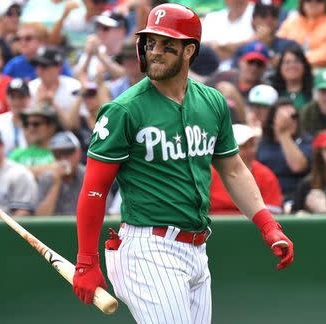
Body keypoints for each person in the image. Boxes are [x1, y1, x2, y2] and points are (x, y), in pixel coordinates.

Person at [71, 4, 294, 323]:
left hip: (197, 248)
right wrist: (86, 260)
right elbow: (94, 188)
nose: (155, 52)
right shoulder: (124, 109)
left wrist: (268, 225)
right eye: (150, 43)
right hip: (148, 246)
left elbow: (232, 169)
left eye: (167, 45)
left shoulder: (212, 101)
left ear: (189, 50)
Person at [210, 123, 283, 215]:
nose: (250, 151)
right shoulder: (210, 173)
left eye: (252, 145)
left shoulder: (265, 175)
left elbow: (273, 212)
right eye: (244, 146)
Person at [257, 97, 312, 204]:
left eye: (293, 116)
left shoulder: (306, 141)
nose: (289, 121)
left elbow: (297, 166)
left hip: (297, 199)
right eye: (283, 117)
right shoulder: (262, 145)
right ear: (272, 120)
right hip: (267, 199)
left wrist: (283, 134)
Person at [277, 0, 326, 70]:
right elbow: (278, 43)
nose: (313, 2)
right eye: (308, 0)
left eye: (319, 0)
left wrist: (302, 60)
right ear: (302, 2)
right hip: (292, 72)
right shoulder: (291, 22)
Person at [35, 131, 85, 216]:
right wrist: (56, 183)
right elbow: (41, 217)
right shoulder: (47, 178)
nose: (63, 158)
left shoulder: (88, 176)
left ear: (78, 152)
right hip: (53, 229)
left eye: (68, 152)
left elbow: (105, 214)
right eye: (57, 154)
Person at [0, 78, 30, 155]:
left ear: (29, 98)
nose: (17, 102)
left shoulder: (36, 123)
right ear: (7, 99)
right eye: (13, 97)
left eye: (21, 97)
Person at [269, 44, 313, 110]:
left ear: (304, 66)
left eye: (297, 61)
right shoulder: (272, 94)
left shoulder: (314, 93)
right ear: (280, 67)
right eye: (287, 62)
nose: (292, 66)